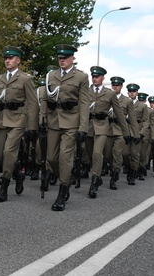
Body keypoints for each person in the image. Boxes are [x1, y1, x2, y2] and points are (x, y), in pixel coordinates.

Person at [44, 45, 89, 211]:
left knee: (65, 157)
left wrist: (83, 127)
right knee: (51, 158)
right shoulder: (51, 75)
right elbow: (46, 97)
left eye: (65, 57)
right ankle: (65, 176)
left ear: (73, 59)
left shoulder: (81, 77)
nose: (62, 60)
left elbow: (84, 103)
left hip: (71, 121)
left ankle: (63, 191)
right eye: (60, 58)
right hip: (54, 120)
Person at [0, 46, 37, 202]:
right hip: (1, 119)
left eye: (11, 58)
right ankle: (18, 174)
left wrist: (32, 127)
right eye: (6, 58)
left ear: (18, 61)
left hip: (18, 120)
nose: (7, 60)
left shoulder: (25, 79)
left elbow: (32, 103)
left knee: (8, 152)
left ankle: (3, 187)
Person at [85, 66, 128, 198]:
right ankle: (97, 176)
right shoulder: (85, 91)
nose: (94, 78)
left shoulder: (109, 94)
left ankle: (94, 182)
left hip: (102, 126)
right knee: (90, 154)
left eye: (97, 76)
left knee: (98, 153)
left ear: (103, 78)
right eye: (93, 76)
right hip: (87, 126)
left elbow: (120, 114)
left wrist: (126, 132)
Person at [103, 76, 138, 190]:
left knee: (118, 154)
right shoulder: (107, 97)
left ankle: (114, 176)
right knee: (107, 154)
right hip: (108, 129)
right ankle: (116, 168)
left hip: (121, 130)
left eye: (117, 85)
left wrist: (135, 134)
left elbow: (132, 119)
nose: (115, 87)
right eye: (113, 85)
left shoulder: (127, 101)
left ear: (121, 86)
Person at [125, 83, 149, 184]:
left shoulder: (142, 106)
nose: (132, 93)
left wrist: (141, 134)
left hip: (137, 132)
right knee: (124, 153)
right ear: (128, 92)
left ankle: (133, 174)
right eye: (130, 91)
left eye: (133, 91)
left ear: (137, 93)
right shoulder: (123, 102)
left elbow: (146, 121)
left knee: (135, 154)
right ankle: (129, 167)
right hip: (125, 130)